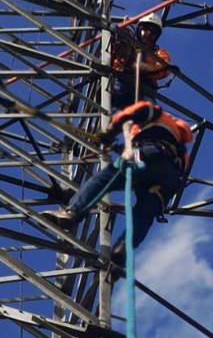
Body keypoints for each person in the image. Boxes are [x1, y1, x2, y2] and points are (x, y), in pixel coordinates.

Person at [47, 100, 193, 251]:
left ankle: (72, 212)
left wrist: (111, 131)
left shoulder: (158, 115)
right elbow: (175, 168)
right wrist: (116, 146)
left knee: (103, 180)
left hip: (148, 157)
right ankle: (122, 251)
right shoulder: (180, 146)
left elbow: (135, 112)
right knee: (144, 214)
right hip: (167, 180)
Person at [110, 13, 173, 109]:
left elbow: (162, 70)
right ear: (139, 30)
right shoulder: (128, 44)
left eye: (153, 32)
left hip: (144, 87)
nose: (148, 34)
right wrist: (122, 32)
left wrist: (139, 66)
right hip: (122, 80)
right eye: (146, 29)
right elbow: (112, 58)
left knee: (148, 112)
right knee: (111, 101)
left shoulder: (159, 54)